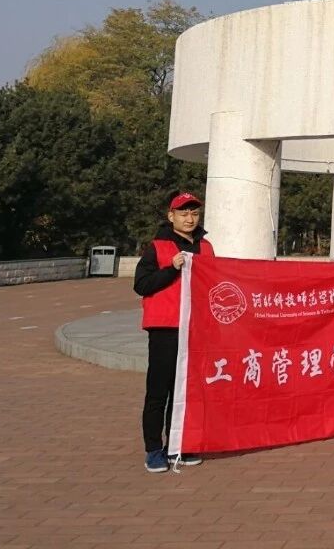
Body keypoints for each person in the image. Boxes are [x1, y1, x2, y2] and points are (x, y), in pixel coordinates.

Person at [134, 191, 213, 472]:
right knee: (159, 391)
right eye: (183, 213)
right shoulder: (157, 247)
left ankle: (179, 445)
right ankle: (154, 449)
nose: (189, 218)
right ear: (171, 216)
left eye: (194, 213)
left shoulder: (206, 248)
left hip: (196, 329)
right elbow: (142, 285)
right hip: (165, 328)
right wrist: (172, 268)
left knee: (187, 391)